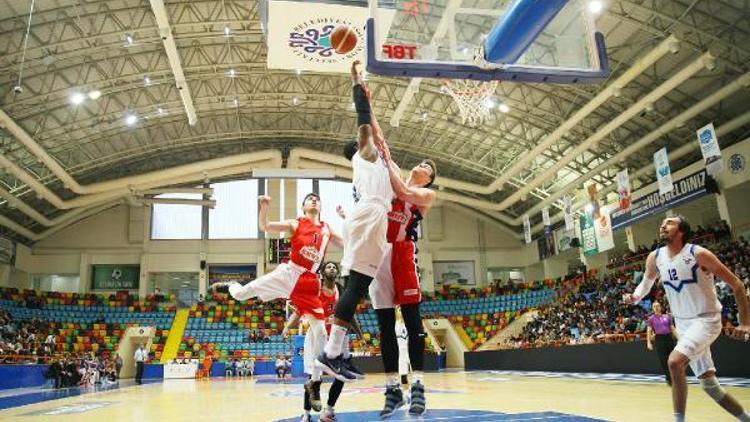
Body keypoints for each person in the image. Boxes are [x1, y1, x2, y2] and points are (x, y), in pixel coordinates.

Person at [623, 215, 750, 422]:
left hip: (706, 319)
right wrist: (634, 297)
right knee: (711, 387)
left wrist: (745, 323)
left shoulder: (699, 254)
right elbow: (646, 284)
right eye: (662, 222)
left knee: (674, 362)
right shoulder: (655, 257)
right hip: (682, 323)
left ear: (681, 230)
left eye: (670, 223)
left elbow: (737, 284)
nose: (663, 225)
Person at [316, 60, 394, 383]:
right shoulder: (365, 153)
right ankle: (331, 355)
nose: (372, 138)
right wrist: (357, 83)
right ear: (359, 145)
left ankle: (334, 354)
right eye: (367, 138)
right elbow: (363, 118)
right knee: (355, 287)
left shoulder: (372, 166)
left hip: (372, 219)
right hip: (370, 217)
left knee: (358, 287)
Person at [368, 138, 436, 416]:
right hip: (379, 253)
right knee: (385, 327)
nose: (420, 166)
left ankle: (417, 385)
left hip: (404, 254)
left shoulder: (425, 195)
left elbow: (401, 188)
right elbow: (382, 145)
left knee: (413, 323)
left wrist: (388, 161)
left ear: (429, 180)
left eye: (426, 168)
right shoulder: (392, 178)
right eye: (420, 163)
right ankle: (393, 388)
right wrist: (368, 112)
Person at [646, 301, 677, 386]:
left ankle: (675, 377)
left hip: (669, 338)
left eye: (658, 306)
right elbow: (649, 331)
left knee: (673, 360)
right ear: (652, 308)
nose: (656, 307)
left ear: (660, 307)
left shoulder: (667, 317)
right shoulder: (651, 318)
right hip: (659, 340)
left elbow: (672, 328)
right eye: (654, 306)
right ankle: (669, 379)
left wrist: (679, 338)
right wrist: (649, 343)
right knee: (664, 360)